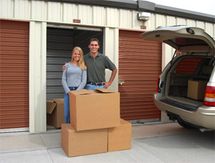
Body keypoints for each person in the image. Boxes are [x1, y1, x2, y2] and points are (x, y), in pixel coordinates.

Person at [62, 46, 87, 123]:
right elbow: (63, 79)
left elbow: (84, 81)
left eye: (79, 54)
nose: (77, 55)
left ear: (81, 55)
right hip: (68, 92)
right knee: (67, 113)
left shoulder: (83, 66)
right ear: (72, 54)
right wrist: (68, 91)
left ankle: (75, 131)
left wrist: (77, 92)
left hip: (78, 91)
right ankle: (67, 131)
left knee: (76, 112)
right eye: (75, 54)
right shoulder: (67, 65)